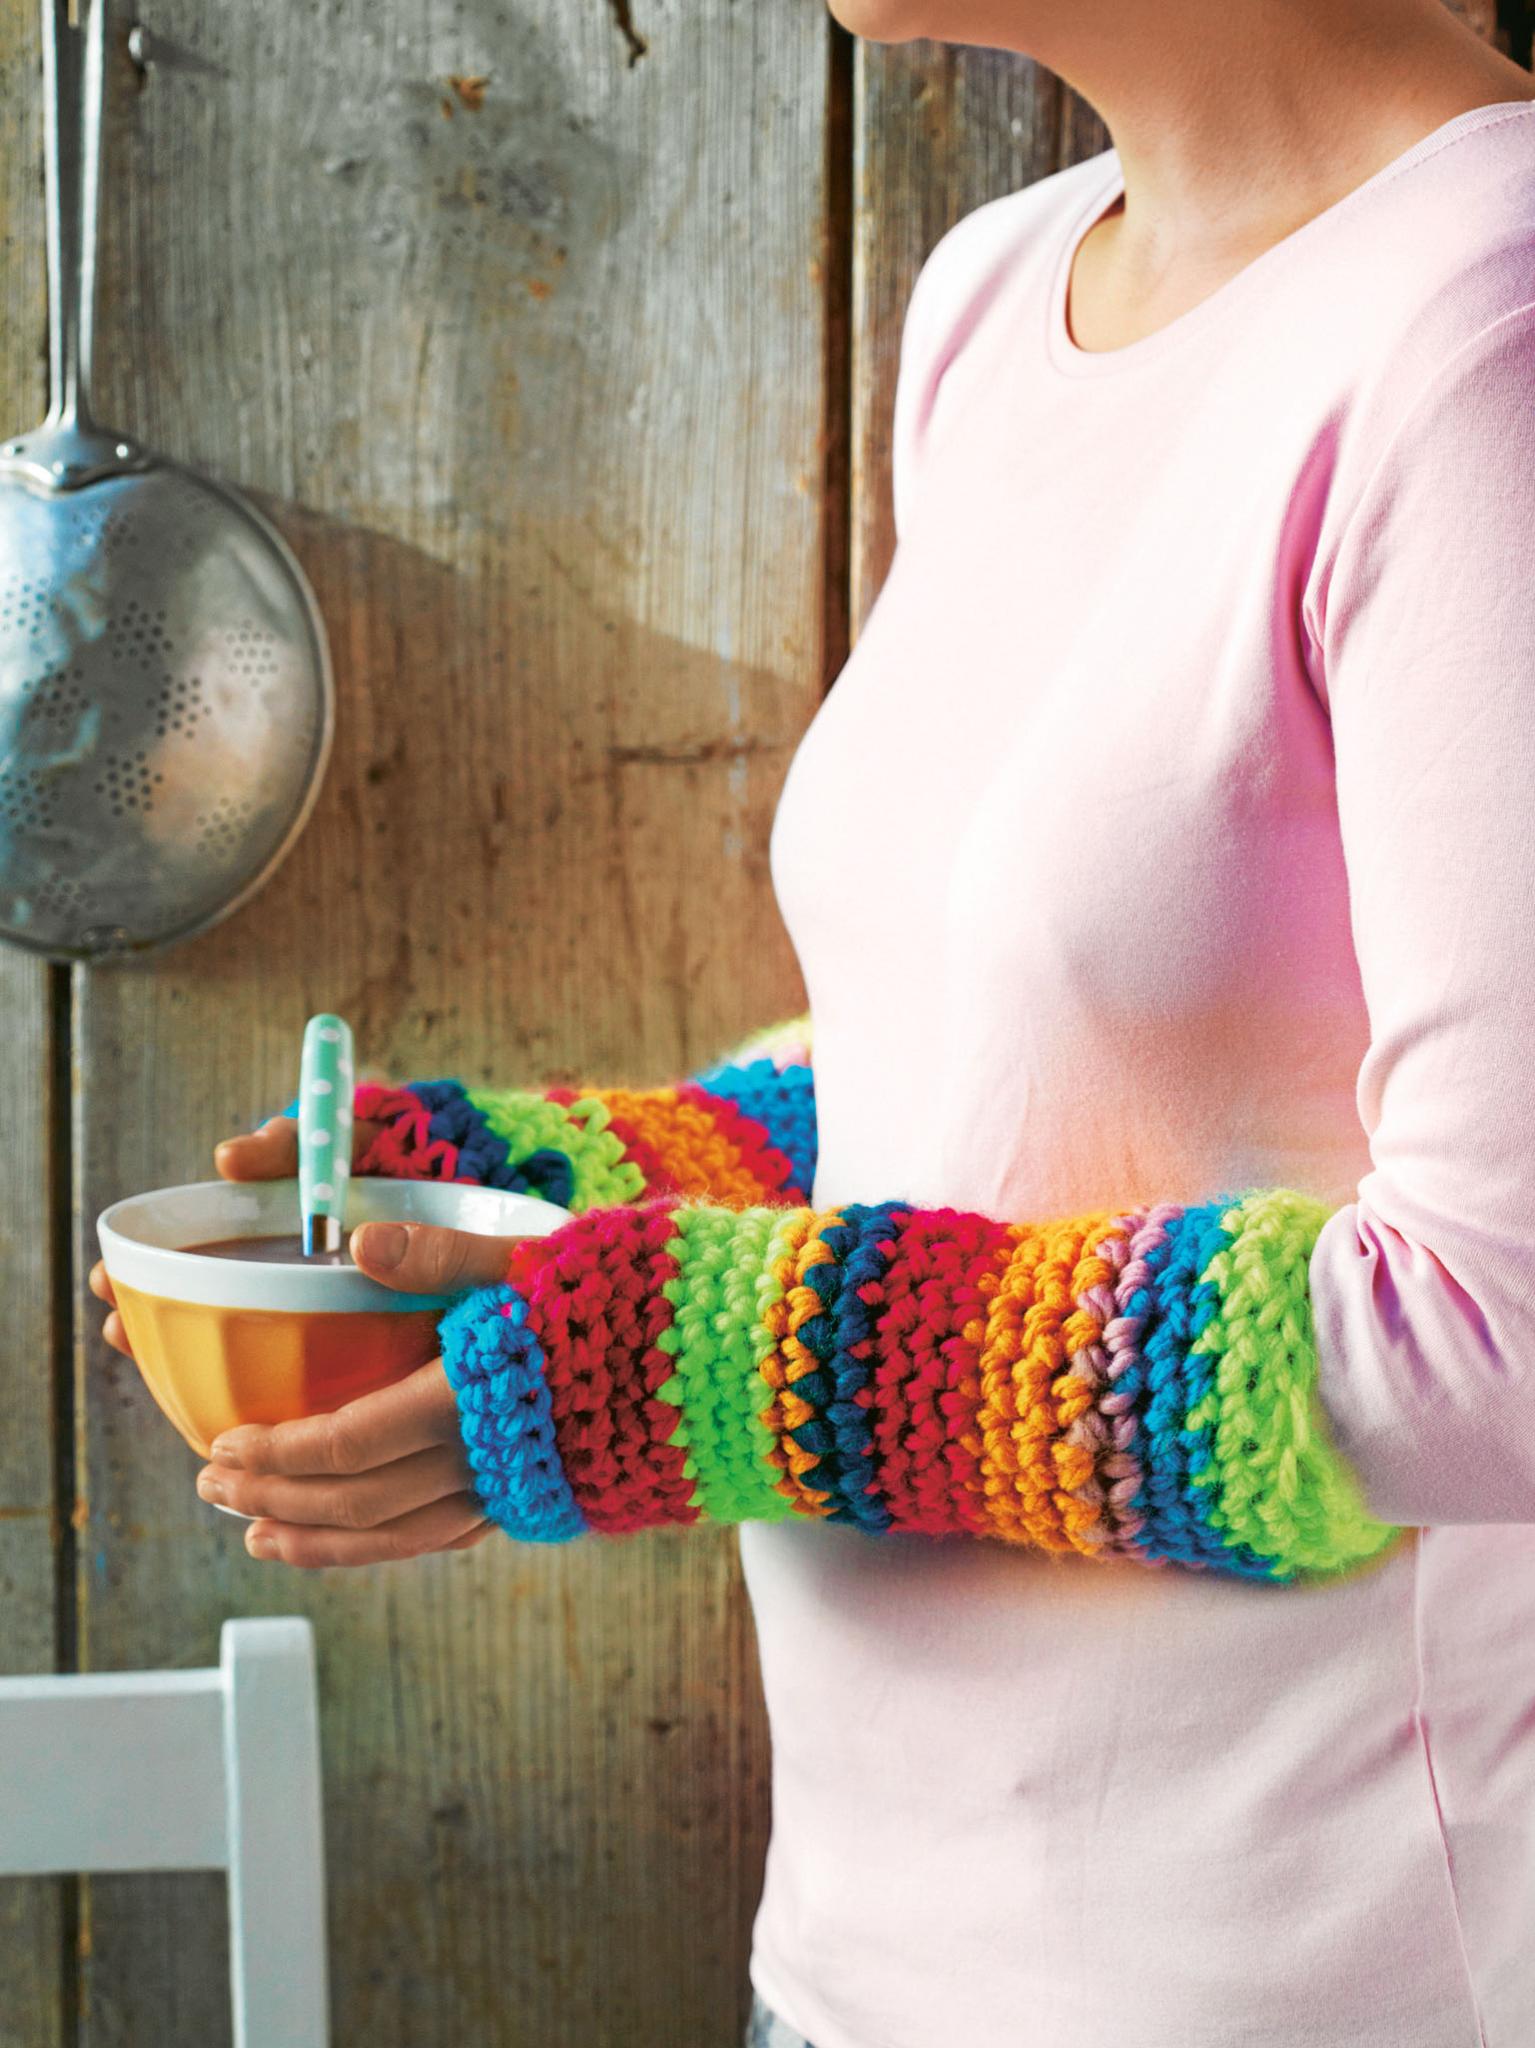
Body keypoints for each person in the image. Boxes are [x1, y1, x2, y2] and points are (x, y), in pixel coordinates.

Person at [91, 0, 1535, 2041]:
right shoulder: (996, 297)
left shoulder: (1486, 331)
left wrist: (707, 1364)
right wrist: (575, 1190)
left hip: (1280, 1989)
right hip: (853, 1967)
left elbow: (1502, 1330)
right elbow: (980, 1067)